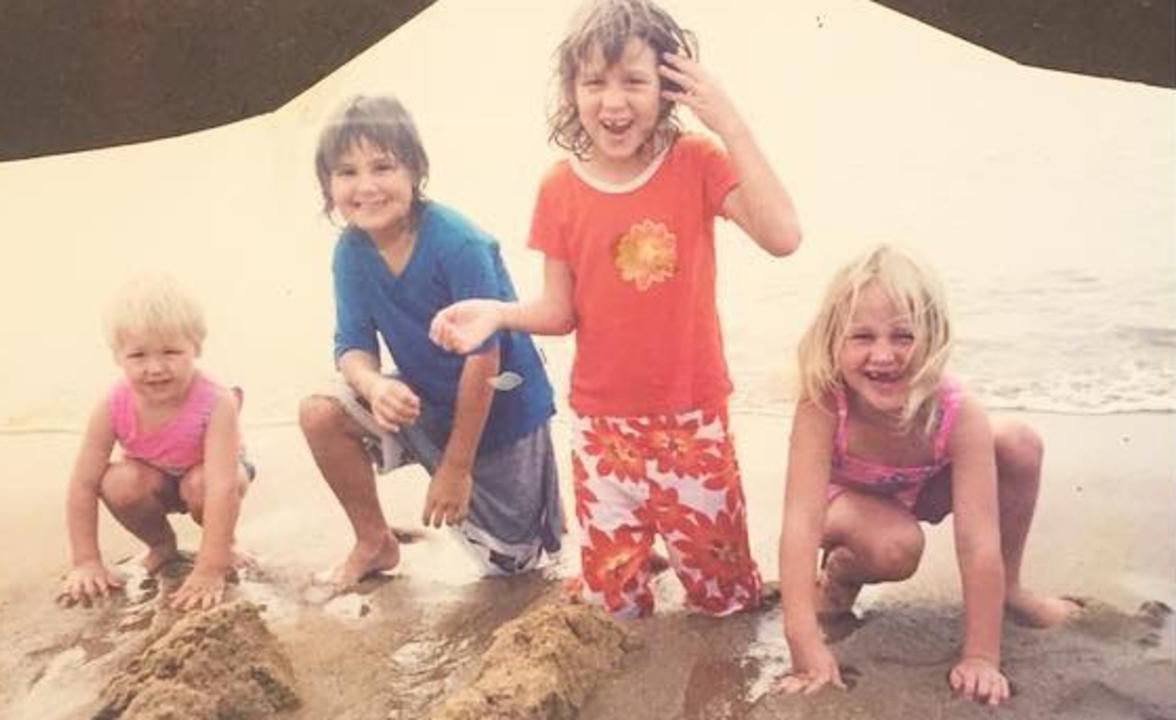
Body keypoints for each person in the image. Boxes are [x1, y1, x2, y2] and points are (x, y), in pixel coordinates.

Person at [429, 0, 801, 618]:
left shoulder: (697, 162)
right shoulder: (559, 186)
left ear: (668, 88)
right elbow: (560, 310)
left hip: (693, 424)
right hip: (603, 432)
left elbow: (783, 236)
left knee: (725, 602)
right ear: (571, 91)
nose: (614, 102)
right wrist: (498, 314)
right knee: (614, 607)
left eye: (635, 80)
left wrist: (729, 123)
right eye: (594, 82)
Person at [775, 244, 1081, 704]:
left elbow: (978, 541)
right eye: (862, 337)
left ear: (934, 337)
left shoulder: (957, 412)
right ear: (832, 340)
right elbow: (800, 522)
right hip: (842, 506)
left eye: (903, 336)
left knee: (1017, 443)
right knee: (897, 546)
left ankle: (1009, 591)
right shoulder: (823, 404)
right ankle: (840, 574)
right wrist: (805, 643)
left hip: (922, 486)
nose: (884, 355)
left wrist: (981, 655)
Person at [298, 95, 562, 591]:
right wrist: (374, 385)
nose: (366, 187)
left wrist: (456, 467)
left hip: (501, 408)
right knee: (320, 412)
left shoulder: (459, 243)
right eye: (347, 172)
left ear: (415, 170)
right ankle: (374, 541)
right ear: (327, 183)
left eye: (383, 166)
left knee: (517, 569)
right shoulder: (351, 251)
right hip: (424, 399)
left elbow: (486, 358)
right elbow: (352, 346)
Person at [57, 275, 254, 611]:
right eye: (138, 355)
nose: (156, 367)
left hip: (213, 474)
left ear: (197, 347)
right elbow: (83, 484)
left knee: (202, 484)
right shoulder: (112, 405)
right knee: (116, 481)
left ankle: (226, 543)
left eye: (171, 351)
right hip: (153, 475)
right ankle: (162, 546)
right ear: (117, 356)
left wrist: (210, 569)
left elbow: (222, 488)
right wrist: (86, 561)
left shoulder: (217, 402)